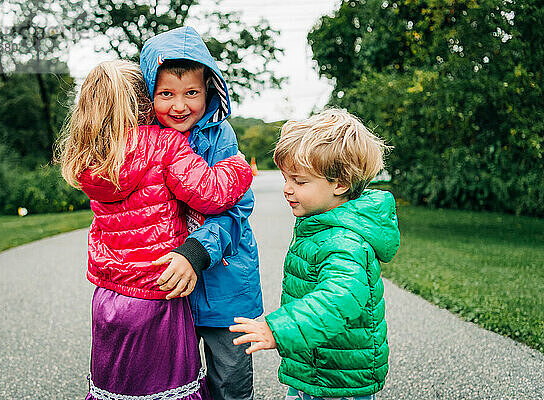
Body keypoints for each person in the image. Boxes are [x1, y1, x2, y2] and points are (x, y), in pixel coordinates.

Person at [57, 59, 254, 400]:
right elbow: (211, 194)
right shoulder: (162, 144)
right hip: (158, 289)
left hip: (110, 296)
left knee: (124, 388)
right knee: (168, 387)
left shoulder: (90, 158)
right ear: (146, 101)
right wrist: (239, 167)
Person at [230, 109, 401, 400]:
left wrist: (279, 330)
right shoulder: (322, 225)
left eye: (299, 181)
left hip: (337, 378)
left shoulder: (344, 241)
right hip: (315, 366)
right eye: (286, 178)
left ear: (340, 184)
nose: (287, 189)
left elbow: (339, 298)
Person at [140, 27, 263, 400]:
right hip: (168, 286)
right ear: (150, 94)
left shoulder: (220, 136)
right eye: (166, 94)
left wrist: (196, 251)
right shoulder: (143, 141)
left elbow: (235, 208)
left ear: (209, 90)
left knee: (230, 380)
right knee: (176, 383)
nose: (180, 106)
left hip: (226, 285)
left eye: (191, 92)